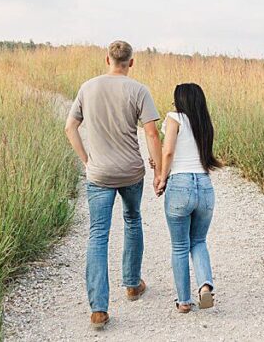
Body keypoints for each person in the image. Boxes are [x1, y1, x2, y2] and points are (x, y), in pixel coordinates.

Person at [65, 40, 164, 330]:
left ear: (106, 59)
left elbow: (70, 127)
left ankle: (98, 309)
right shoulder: (139, 90)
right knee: (132, 220)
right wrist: (158, 171)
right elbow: (152, 134)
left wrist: (86, 159)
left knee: (98, 235)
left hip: (99, 173)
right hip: (131, 172)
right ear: (131, 62)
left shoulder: (88, 87)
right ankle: (132, 284)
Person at [155, 83, 222, 313]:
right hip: (204, 185)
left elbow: (168, 151)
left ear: (180, 100)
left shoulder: (174, 118)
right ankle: (205, 287)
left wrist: (162, 178)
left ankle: (183, 301)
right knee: (199, 241)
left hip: (180, 184)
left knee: (180, 245)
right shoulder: (204, 122)